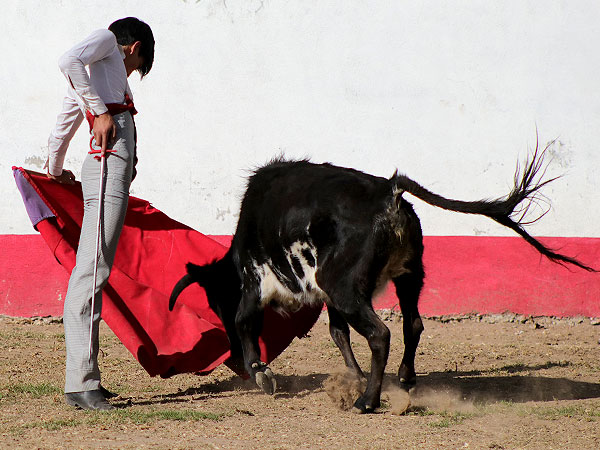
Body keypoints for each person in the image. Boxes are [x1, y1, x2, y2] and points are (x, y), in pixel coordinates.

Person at [46, 17, 155, 410]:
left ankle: (84, 377)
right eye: (137, 63)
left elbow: (63, 124)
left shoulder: (90, 81)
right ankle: (81, 381)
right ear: (133, 47)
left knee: (94, 266)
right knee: (93, 268)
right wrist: (100, 112)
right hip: (108, 160)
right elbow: (67, 59)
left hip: (107, 162)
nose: (132, 73)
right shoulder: (107, 41)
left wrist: (55, 170)